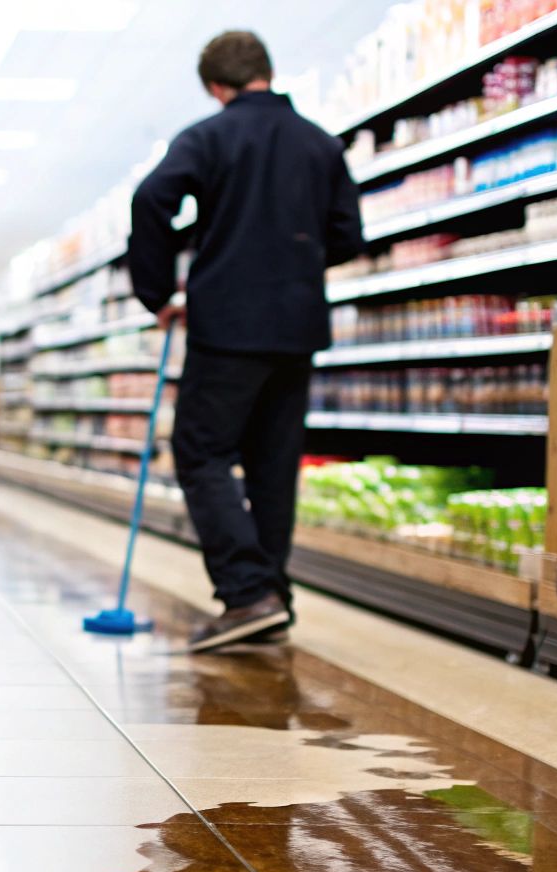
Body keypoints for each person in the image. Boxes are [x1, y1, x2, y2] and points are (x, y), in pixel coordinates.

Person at [127, 30, 364, 653]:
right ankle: (272, 596)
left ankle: (247, 592)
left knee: (201, 451)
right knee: (272, 464)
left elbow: (152, 198)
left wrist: (158, 294)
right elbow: (348, 235)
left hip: (228, 323)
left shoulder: (208, 136)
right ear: (267, 71)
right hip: (297, 326)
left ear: (215, 87)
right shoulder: (320, 143)